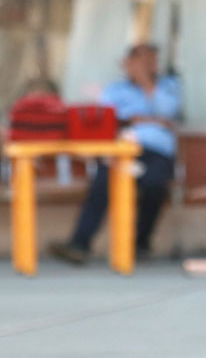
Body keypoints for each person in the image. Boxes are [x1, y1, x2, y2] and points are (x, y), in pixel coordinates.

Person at [50, 42, 181, 264]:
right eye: (142, 62)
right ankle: (79, 244)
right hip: (120, 150)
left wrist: (146, 84)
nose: (148, 66)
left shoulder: (169, 85)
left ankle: (139, 244)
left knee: (155, 184)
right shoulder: (115, 89)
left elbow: (168, 111)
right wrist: (149, 119)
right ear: (129, 64)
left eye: (152, 61)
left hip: (157, 151)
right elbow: (109, 120)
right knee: (102, 181)